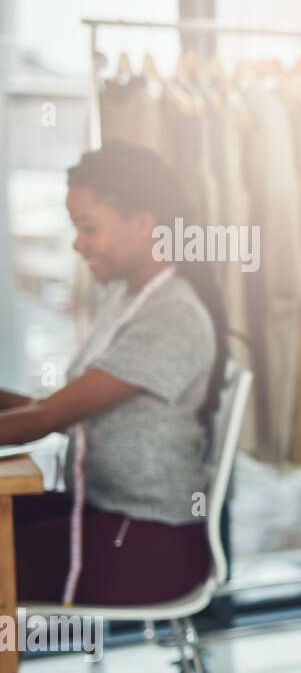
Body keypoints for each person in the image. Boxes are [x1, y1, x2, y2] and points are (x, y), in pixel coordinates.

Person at [0, 142, 227, 606]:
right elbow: (61, 408)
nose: (77, 244)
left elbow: (49, 418)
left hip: (148, 543)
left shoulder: (172, 317)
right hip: (103, 512)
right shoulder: (127, 297)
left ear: (144, 224)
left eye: (89, 228)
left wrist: (33, 411)